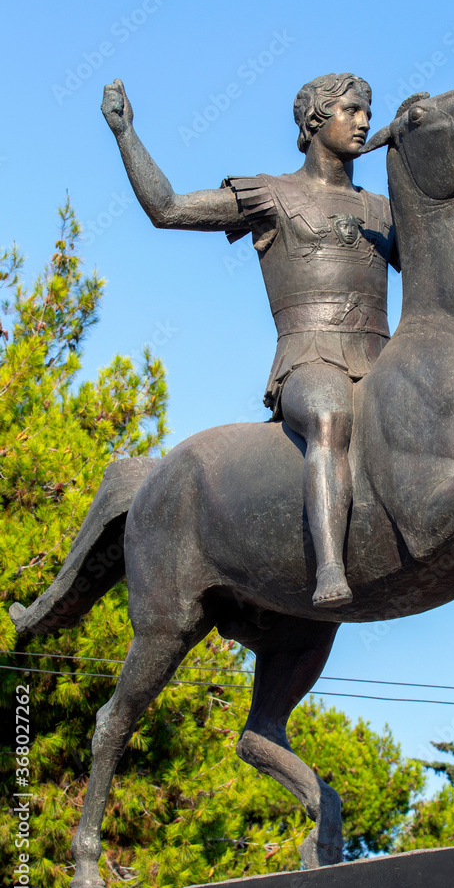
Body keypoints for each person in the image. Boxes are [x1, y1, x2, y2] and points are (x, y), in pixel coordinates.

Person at [101, 72, 399, 609]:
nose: (364, 121)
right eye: (351, 110)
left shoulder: (382, 211)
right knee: (330, 415)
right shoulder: (270, 195)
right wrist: (126, 134)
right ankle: (329, 565)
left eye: (367, 112)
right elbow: (166, 209)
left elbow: (444, 264)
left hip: (383, 361)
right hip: (310, 359)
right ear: (314, 120)